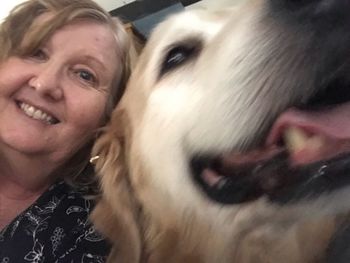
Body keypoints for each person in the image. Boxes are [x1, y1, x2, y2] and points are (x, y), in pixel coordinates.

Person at [0, 0, 133, 261]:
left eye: (85, 75)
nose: (44, 83)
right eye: (36, 52)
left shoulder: (106, 231)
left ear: (108, 118)